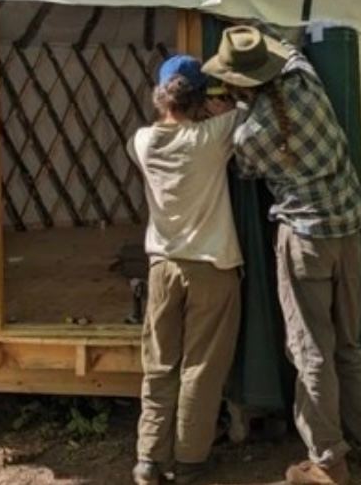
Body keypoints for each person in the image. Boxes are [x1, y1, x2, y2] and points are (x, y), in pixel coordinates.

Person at [202, 26, 361, 485]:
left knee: (311, 351)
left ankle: (327, 461)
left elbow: (245, 170)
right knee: (347, 346)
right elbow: (289, 52)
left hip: (305, 242)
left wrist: (232, 113)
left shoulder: (250, 138)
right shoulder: (306, 78)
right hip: (348, 231)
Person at [128, 55, 243, 485]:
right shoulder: (212, 137)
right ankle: (190, 459)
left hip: (163, 267)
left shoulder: (141, 141)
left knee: (159, 364)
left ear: (161, 97)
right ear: (200, 99)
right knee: (202, 366)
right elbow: (253, 108)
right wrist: (224, 106)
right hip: (211, 268)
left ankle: (148, 459)